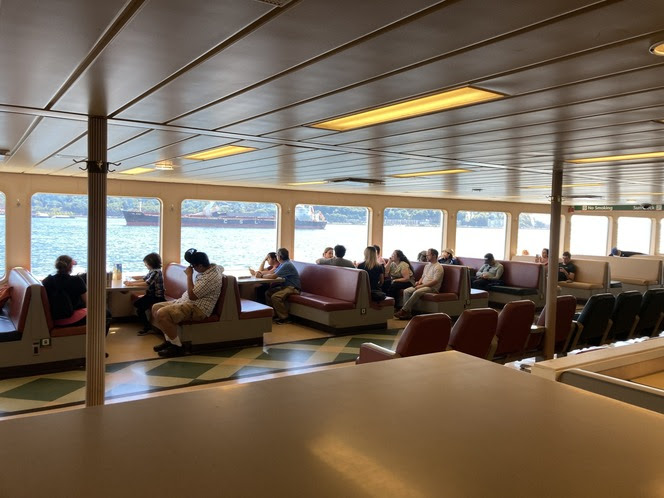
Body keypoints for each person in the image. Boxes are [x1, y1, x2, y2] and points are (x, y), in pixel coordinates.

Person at [151, 249, 224, 358]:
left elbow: (192, 296)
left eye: (193, 267)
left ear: (200, 266)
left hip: (198, 308)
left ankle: (177, 348)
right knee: (155, 307)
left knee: (162, 313)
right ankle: (170, 341)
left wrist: (189, 276)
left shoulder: (210, 278)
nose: (192, 269)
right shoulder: (213, 267)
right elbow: (222, 267)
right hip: (186, 302)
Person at [394, 249, 444, 320]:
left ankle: (404, 310)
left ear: (434, 256)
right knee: (406, 291)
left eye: (428, 255)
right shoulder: (427, 265)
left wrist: (421, 286)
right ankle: (408, 313)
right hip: (423, 285)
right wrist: (418, 282)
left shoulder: (438, 267)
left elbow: (435, 281)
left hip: (432, 288)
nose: (426, 256)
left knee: (417, 292)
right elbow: (423, 277)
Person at [124, 252, 165, 336]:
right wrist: (131, 282)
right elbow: (144, 279)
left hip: (156, 297)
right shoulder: (152, 271)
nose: (145, 265)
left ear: (150, 263)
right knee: (137, 304)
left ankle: (147, 327)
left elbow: (147, 283)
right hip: (151, 295)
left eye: (146, 264)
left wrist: (131, 284)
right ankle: (148, 325)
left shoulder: (156, 273)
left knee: (139, 307)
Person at [258, 248, 301, 324]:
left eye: (276, 255)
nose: (276, 256)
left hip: (293, 288)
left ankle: (285, 318)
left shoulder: (287, 265)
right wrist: (260, 274)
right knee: (268, 293)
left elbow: (272, 276)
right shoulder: (283, 264)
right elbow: (272, 273)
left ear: (280, 256)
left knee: (275, 297)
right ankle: (275, 315)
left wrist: (261, 276)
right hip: (286, 286)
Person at [42, 255, 88, 326]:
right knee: (105, 313)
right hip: (71, 317)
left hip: (54, 319)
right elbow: (87, 302)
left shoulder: (47, 280)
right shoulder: (77, 281)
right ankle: (97, 336)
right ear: (70, 267)